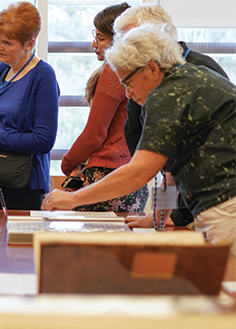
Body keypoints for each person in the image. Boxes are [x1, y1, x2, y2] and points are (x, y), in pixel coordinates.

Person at [43, 24, 236, 256]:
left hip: (226, 205)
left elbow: (139, 171)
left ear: (152, 69)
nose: (127, 94)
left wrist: (72, 198)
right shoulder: (189, 79)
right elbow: (169, 173)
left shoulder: (168, 95)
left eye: (128, 82)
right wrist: (158, 220)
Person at [113, 4, 230, 228]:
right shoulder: (152, 82)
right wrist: (160, 218)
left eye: (135, 39)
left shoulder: (187, 79)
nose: (126, 49)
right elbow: (165, 168)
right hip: (200, 205)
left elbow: (146, 169)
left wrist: (73, 199)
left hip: (218, 203)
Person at [0, 1, 59, 210]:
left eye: (7, 43)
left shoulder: (43, 75)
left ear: (29, 43)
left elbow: (43, 140)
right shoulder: (2, 69)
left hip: (22, 183)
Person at [60, 3, 148, 212]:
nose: (93, 43)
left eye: (100, 38)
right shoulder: (145, 70)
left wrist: (67, 163)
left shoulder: (113, 72)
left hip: (105, 174)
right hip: (133, 174)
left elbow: (95, 134)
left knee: (91, 243)